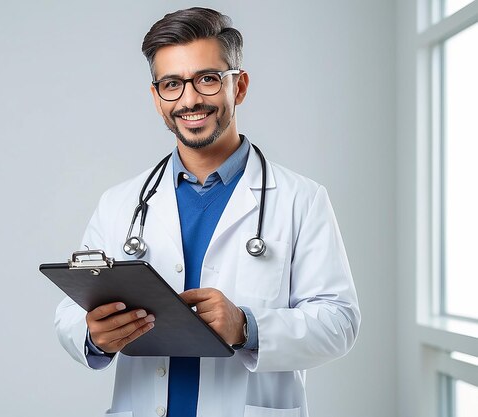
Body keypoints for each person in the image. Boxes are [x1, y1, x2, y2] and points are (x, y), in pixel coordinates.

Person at [55, 7, 360, 417]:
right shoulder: (120, 203)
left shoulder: (300, 199)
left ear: (240, 85)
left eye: (208, 79)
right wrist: (94, 335)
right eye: (172, 84)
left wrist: (247, 326)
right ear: (155, 96)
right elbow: (72, 312)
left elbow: (339, 323)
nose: (190, 99)